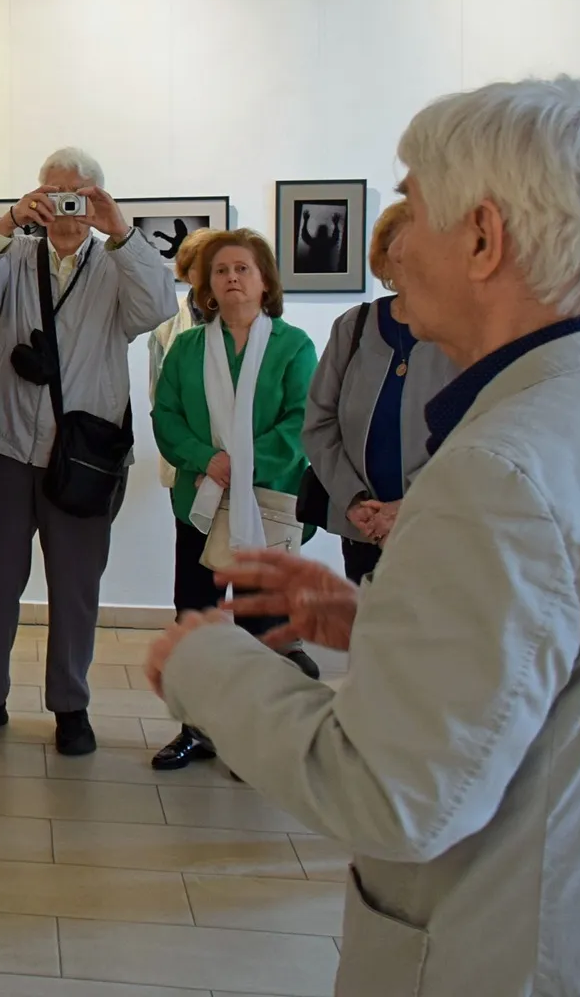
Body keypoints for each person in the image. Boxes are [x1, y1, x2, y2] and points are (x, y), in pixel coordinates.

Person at [147, 77, 580, 995]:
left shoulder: (499, 471)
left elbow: (390, 794)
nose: (392, 239)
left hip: (504, 951)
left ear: (482, 239)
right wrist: (386, 624)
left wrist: (208, 665)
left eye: (408, 203)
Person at [0, 148, 175, 756]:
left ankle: (71, 705)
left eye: (78, 194)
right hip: (6, 443)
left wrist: (121, 230)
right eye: (54, 192)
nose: (65, 206)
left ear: (97, 196)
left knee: (75, 586)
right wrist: (5, 223)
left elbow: (159, 307)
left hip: (86, 452)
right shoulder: (16, 255)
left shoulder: (119, 265)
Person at [147, 229, 318, 771]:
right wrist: (205, 458)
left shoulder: (294, 346)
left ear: (265, 281)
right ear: (206, 287)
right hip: (198, 504)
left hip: (264, 505)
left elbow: (301, 423)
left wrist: (240, 464)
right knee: (195, 618)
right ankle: (197, 729)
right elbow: (165, 416)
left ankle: (257, 737)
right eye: (221, 271)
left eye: (243, 269)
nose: (232, 279)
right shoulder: (188, 347)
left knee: (262, 626)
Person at [300, 202, 457, 587]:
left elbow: (476, 433)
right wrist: (354, 503)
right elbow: (319, 424)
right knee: (369, 634)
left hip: (440, 523)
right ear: (383, 261)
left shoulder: (464, 332)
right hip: (362, 526)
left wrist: (407, 508)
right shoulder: (353, 326)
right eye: (399, 251)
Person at [146, 228, 215, 489]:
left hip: (239, 458)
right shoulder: (166, 319)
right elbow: (159, 395)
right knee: (188, 525)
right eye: (201, 265)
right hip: (186, 454)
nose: (211, 273)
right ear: (187, 272)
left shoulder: (249, 320)